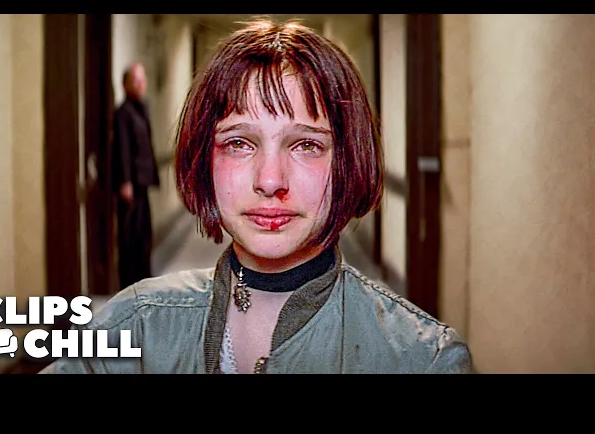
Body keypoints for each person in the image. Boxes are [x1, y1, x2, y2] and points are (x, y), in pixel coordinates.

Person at [41, 18, 472, 374]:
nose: (269, 180)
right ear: (204, 160)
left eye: (306, 145)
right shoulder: (136, 326)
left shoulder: (422, 358)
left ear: (348, 161)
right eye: (239, 143)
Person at [111, 62, 160, 290]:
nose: (140, 84)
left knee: (144, 235)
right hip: (132, 183)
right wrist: (125, 181)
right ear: (125, 84)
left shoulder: (143, 108)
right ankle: (130, 285)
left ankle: (144, 279)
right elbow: (122, 148)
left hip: (143, 180)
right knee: (130, 236)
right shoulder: (123, 113)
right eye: (135, 80)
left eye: (142, 79)